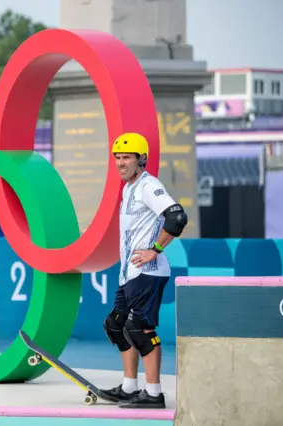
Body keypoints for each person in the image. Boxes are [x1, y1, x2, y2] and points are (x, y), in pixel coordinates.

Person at [101, 132, 188, 409]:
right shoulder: (129, 187)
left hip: (148, 272)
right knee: (116, 325)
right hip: (129, 274)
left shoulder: (149, 186)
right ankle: (129, 387)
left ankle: (154, 394)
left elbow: (176, 216)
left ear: (141, 160)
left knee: (139, 329)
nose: (120, 163)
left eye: (127, 157)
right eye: (117, 157)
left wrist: (156, 249)